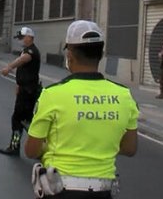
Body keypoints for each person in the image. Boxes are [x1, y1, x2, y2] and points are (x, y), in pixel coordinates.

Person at [25, 20, 139, 199]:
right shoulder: (124, 95)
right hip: (104, 191)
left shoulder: (52, 94)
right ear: (101, 54)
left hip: (60, 190)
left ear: (69, 54)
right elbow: (130, 148)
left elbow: (31, 150)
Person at [0, 27, 42, 156]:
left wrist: (9, 67)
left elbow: (23, 60)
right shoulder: (26, 50)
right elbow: (24, 70)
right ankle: (40, 146)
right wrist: (18, 84)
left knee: (19, 119)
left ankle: (15, 146)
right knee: (27, 120)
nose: (20, 41)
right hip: (25, 89)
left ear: (29, 37)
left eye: (22, 38)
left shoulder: (31, 51)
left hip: (28, 92)